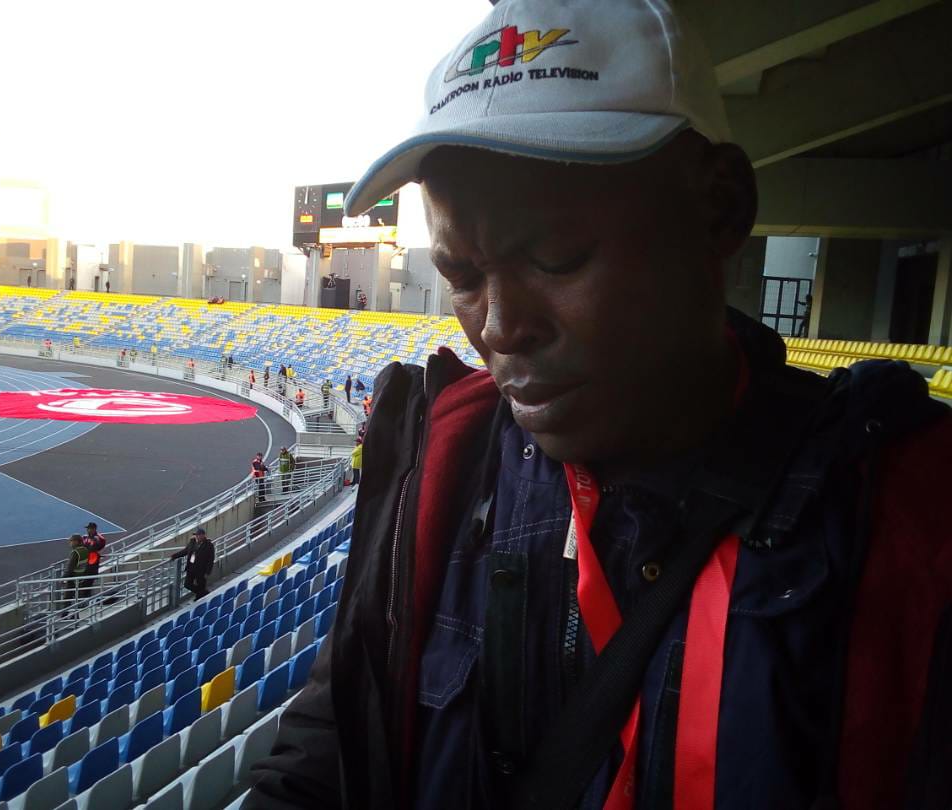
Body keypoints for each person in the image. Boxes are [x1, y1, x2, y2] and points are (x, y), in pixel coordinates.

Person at [246, 1, 952, 808]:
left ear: (720, 209)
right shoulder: (438, 466)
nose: (499, 328)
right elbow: (328, 749)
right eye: (462, 277)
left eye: (556, 258)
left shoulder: (903, 519)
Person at [170, 527, 215, 601]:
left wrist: (207, 572)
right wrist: (174, 556)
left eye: (199, 535)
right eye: (196, 535)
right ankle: (203, 593)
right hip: (191, 567)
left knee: (201, 585)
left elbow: (211, 559)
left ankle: (200, 597)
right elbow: (185, 551)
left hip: (201, 569)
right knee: (187, 584)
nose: (197, 536)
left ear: (203, 535)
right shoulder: (192, 542)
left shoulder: (209, 545)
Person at [79, 522, 106, 601]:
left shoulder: (98, 538)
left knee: (87, 583)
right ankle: (83, 599)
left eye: (89, 528)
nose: (88, 530)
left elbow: (94, 547)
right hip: (85, 563)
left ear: (94, 529)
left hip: (92, 563)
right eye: (87, 529)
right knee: (82, 583)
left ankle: (85, 601)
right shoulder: (85, 537)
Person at [61, 534, 88, 611]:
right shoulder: (85, 550)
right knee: (79, 596)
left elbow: (70, 568)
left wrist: (63, 578)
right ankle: (77, 612)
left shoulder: (75, 553)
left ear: (76, 542)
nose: (70, 543)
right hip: (82, 577)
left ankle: (65, 614)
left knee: (67, 597)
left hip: (73, 578)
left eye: (71, 541)